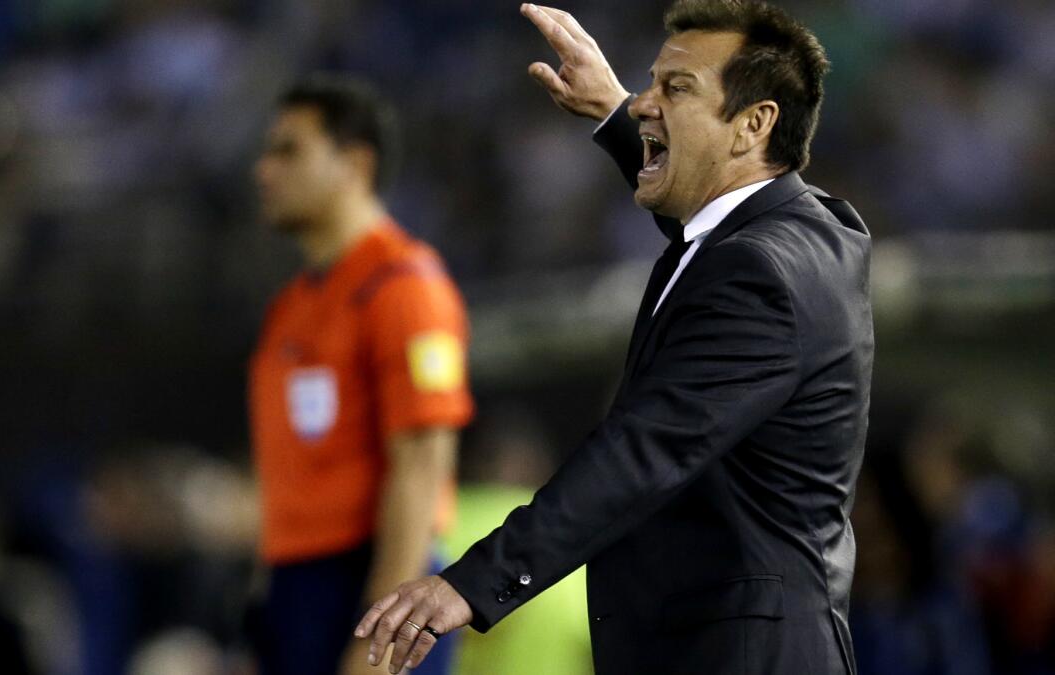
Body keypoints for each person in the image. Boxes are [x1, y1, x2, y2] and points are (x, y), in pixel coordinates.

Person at [354, 2, 874, 674]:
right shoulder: (807, 233)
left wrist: (473, 582)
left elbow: (644, 449)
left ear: (754, 123)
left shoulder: (759, 273)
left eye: (675, 88)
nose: (644, 104)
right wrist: (614, 113)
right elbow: (715, 218)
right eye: (650, 84)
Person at [248, 75, 474, 675]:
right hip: (298, 589)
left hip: (373, 584)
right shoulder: (290, 306)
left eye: (288, 150)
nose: (263, 171)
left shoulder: (405, 288)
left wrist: (382, 638)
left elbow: (423, 465)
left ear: (354, 163)